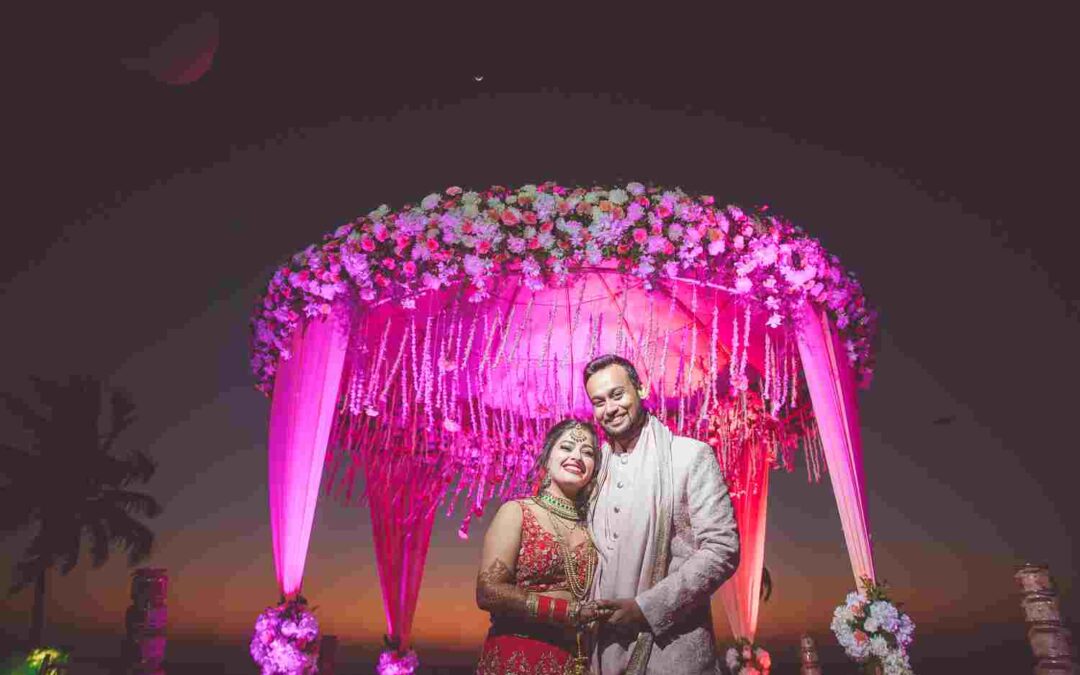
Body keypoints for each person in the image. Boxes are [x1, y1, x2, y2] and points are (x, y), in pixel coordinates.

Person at [585, 354, 740, 675]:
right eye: (598, 402)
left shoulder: (689, 455)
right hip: (603, 649)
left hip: (673, 651)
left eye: (617, 394)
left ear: (640, 390)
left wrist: (647, 608)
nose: (609, 409)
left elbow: (722, 548)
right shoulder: (594, 469)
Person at [475, 418, 612, 675]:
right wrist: (569, 612)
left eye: (588, 452)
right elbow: (488, 591)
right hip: (517, 657)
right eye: (567, 447)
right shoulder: (517, 512)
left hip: (576, 661)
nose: (577, 457)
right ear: (547, 458)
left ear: (594, 469)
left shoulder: (595, 528)